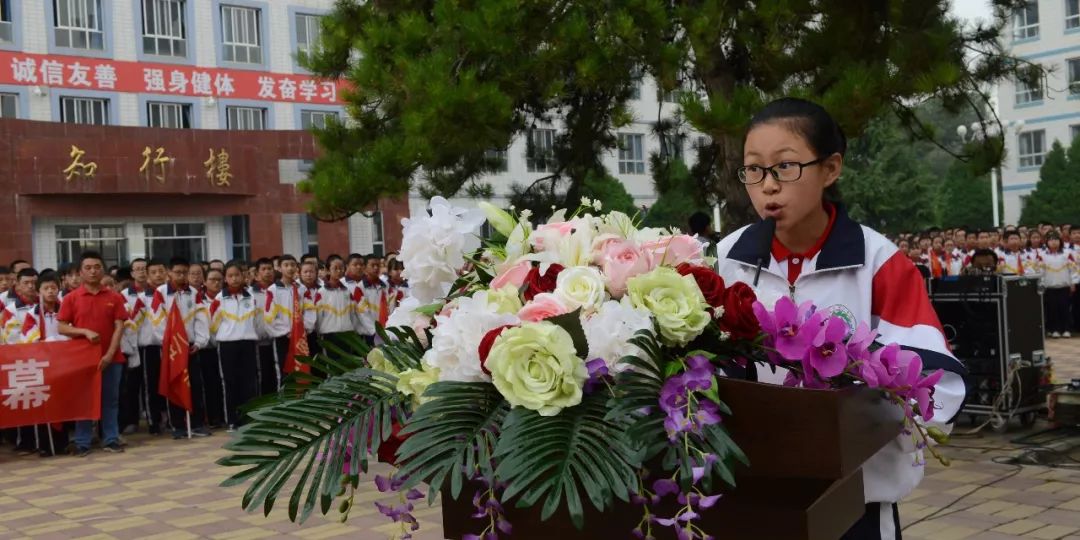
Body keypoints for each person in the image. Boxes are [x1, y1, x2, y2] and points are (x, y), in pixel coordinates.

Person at [713, 98, 965, 540]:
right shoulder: (726, 258)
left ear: (830, 169)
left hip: (855, 501)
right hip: (753, 490)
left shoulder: (876, 261)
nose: (768, 186)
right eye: (754, 170)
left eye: (785, 167)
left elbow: (937, 382)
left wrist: (846, 424)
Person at [57, 251, 129, 457]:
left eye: (97, 267)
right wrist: (84, 331)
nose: (93, 271)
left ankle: (111, 439)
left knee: (111, 400)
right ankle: (82, 441)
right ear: (80, 273)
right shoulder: (71, 298)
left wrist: (109, 354)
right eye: (87, 268)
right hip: (82, 360)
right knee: (85, 401)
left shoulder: (114, 297)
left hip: (112, 358)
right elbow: (62, 327)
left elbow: (119, 327)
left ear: (103, 270)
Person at [154, 257, 211, 439]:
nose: (181, 276)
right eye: (177, 272)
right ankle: (177, 425)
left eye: (184, 272)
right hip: (172, 350)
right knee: (175, 384)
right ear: (169, 272)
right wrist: (171, 343)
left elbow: (202, 319)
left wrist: (200, 342)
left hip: (191, 348)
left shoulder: (194, 293)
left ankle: (197, 424)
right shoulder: (161, 293)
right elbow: (157, 321)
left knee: (195, 384)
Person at [211, 261, 263, 430]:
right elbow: (213, 325)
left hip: (248, 343)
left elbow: (258, 322)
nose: (234, 279)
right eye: (230, 276)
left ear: (244, 276)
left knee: (249, 382)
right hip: (227, 345)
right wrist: (219, 338)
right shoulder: (219, 299)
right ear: (225, 279)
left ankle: (249, 417)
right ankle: (232, 419)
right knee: (230, 382)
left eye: (237, 275)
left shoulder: (252, 297)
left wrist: (255, 336)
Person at [263, 255, 315, 393]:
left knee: (301, 371)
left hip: (300, 338)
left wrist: (304, 329)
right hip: (283, 338)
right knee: (283, 371)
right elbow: (269, 317)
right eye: (286, 265)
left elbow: (309, 311)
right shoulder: (273, 290)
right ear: (279, 268)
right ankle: (284, 403)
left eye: (293, 265)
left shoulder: (302, 289)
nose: (290, 268)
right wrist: (286, 331)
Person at [314, 255, 357, 356]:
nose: (339, 271)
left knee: (347, 364)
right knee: (332, 366)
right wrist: (320, 332)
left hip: (347, 333)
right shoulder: (321, 292)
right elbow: (318, 315)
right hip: (329, 334)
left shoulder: (347, 291)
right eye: (335, 268)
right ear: (328, 270)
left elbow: (353, 313)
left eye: (341, 268)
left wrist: (352, 328)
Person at [1041, 232, 1076, 338]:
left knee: (1065, 308)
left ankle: (1066, 329)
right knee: (1052, 309)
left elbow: (1073, 269)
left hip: (1064, 286)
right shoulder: (1043, 255)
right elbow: (1041, 272)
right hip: (1050, 287)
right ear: (1047, 242)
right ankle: (1054, 329)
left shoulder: (1067, 253)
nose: (1054, 242)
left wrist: (1073, 282)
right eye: (1051, 240)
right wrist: (1042, 284)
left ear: (1060, 241)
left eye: (1056, 239)